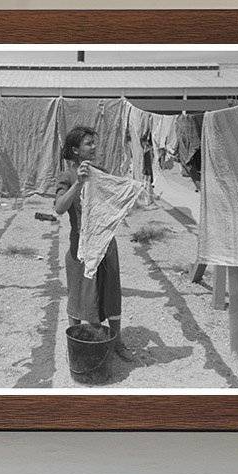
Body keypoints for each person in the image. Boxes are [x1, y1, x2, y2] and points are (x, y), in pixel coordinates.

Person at [54, 125, 153, 364]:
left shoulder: (101, 172)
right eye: (89, 143)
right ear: (75, 150)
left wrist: (133, 191)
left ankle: (117, 341)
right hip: (80, 247)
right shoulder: (66, 177)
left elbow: (115, 200)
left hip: (106, 245)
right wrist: (78, 183)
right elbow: (59, 208)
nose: (94, 147)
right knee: (77, 293)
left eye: (94, 142)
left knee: (110, 292)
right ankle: (75, 343)